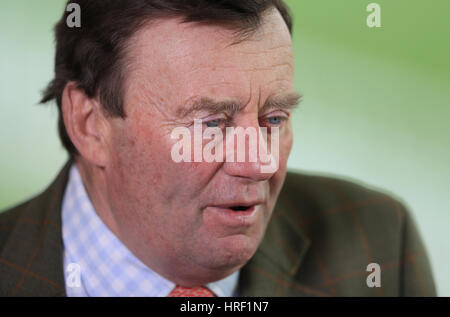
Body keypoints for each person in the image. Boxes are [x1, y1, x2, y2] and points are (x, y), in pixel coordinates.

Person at [0, 0, 436, 297]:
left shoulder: (377, 242)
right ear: (90, 124)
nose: (259, 163)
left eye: (275, 119)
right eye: (211, 124)